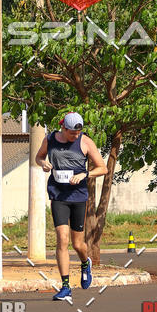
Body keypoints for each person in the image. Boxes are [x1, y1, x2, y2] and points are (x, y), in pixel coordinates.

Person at [35, 111, 108, 301]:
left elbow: (103, 167)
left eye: (78, 133)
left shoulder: (86, 142)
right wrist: (43, 163)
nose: (76, 136)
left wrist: (85, 174)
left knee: (77, 244)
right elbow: (38, 157)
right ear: (64, 128)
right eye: (72, 133)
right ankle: (65, 286)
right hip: (58, 195)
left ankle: (85, 263)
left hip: (78, 196)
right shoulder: (50, 139)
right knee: (62, 238)